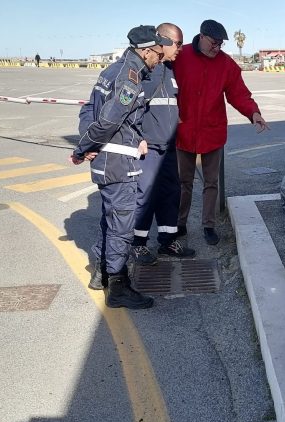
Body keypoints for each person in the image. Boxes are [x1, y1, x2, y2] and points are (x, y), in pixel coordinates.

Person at [71, 25, 172, 309]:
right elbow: (108, 122)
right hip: (118, 164)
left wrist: (88, 143)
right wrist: (83, 148)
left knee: (110, 219)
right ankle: (118, 286)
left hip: (108, 161)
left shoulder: (111, 71)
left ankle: (101, 274)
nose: (159, 58)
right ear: (146, 51)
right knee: (122, 227)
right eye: (157, 53)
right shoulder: (130, 80)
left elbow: (88, 112)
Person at [174, 19, 269, 245]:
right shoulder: (181, 56)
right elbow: (165, 86)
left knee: (211, 182)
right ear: (201, 36)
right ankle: (179, 223)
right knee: (182, 182)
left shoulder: (226, 64)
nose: (217, 48)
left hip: (212, 132)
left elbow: (238, 94)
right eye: (214, 43)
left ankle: (209, 225)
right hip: (183, 130)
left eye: (220, 45)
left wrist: (253, 113)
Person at [131, 23, 196, 265]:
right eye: (178, 44)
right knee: (145, 196)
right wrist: (138, 138)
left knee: (170, 193)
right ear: (164, 42)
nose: (180, 48)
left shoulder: (170, 70)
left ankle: (168, 241)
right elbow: (133, 108)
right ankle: (137, 244)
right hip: (149, 148)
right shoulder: (149, 72)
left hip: (168, 146)